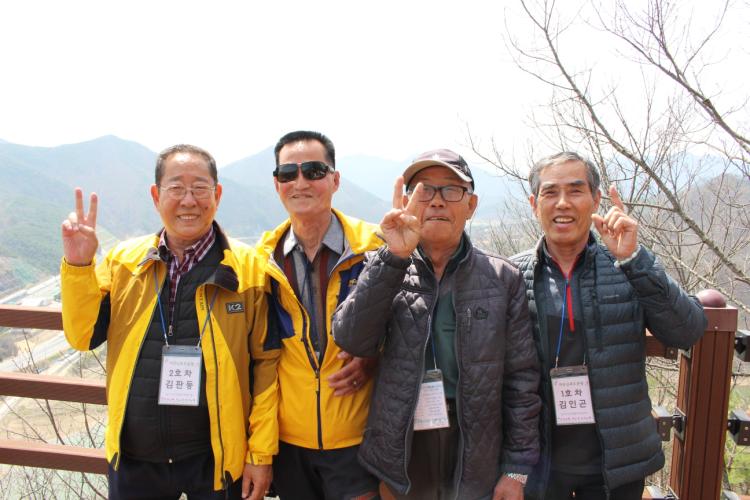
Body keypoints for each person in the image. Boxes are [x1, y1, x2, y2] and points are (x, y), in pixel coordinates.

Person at [60, 144, 276, 500]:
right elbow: (82, 336)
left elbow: (268, 364)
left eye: (200, 188)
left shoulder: (249, 269)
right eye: (176, 188)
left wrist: (260, 453)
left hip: (216, 458)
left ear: (217, 194)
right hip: (136, 458)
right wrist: (79, 266)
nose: (188, 200)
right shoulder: (124, 262)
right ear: (156, 195)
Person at [333, 148, 541, 500]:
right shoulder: (386, 265)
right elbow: (351, 338)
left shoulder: (502, 278)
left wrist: (516, 468)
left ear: (471, 205)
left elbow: (521, 379)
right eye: (424, 189)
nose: (437, 201)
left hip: (477, 444)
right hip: (402, 444)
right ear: (407, 202)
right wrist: (394, 256)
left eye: (451, 190)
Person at [511, 151, 707, 499]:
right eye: (550, 192)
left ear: (596, 199)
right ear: (534, 203)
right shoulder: (512, 275)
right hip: (540, 466)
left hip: (616, 465)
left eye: (575, 190)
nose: (563, 203)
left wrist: (634, 259)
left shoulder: (627, 265)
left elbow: (687, 330)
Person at [250, 131, 383, 499]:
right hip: (289, 444)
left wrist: (375, 356)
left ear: (335, 180)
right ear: (276, 184)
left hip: (358, 439)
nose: (300, 182)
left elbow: (411, 328)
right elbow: (259, 359)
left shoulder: (376, 248)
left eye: (313, 171)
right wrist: (260, 449)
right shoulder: (262, 261)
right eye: (288, 174)